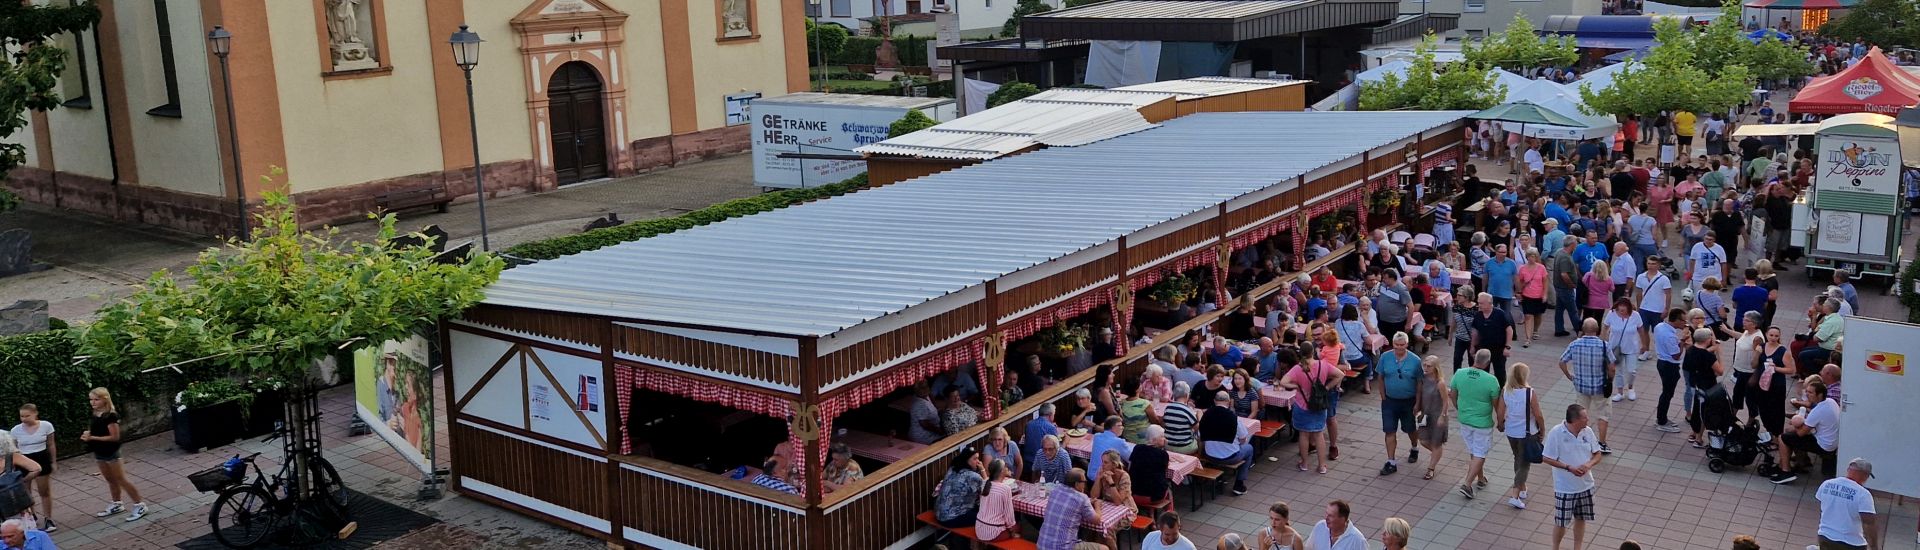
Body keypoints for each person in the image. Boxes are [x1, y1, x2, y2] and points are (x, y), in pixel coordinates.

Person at [1543, 404, 1606, 550]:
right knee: (1561, 522)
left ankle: (1577, 548)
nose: (1588, 419)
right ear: (1575, 420)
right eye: (1585, 417)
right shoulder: (1556, 433)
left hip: (1586, 485)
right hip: (1565, 488)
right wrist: (1568, 467)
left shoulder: (1587, 432)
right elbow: (1546, 458)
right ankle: (1555, 547)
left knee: (1581, 518)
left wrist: (1589, 464)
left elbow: (1597, 454)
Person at [81, 388, 145, 522]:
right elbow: (95, 428)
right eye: (91, 400)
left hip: (111, 451)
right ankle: (117, 503)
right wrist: (88, 434)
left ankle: (139, 504)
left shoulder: (111, 416)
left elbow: (114, 437)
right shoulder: (95, 413)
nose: (93, 402)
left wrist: (92, 437)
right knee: (110, 479)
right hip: (99, 451)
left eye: (96, 399)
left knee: (121, 479)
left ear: (105, 399)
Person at [1560, 319, 1615, 453]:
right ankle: (1601, 443)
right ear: (1597, 330)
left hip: (1581, 386)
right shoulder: (1604, 345)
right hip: (1600, 387)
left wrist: (1569, 375)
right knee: (1603, 414)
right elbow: (1612, 367)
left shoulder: (1574, 344)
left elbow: (1562, 361)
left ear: (1583, 330)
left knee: (1580, 413)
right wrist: (1610, 379)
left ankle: (1578, 439)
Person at [1281, 352, 1340, 474]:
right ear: (1312, 353)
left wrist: (1296, 386)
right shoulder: (1323, 364)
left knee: (1304, 435)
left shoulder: (1298, 368)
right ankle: (1322, 466)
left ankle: (1304, 464)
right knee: (1319, 435)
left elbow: (1283, 382)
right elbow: (1340, 374)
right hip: (1319, 405)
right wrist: (1327, 388)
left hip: (1302, 405)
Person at [1453, 349, 1501, 499]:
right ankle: (1467, 484)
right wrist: (1500, 421)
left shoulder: (1459, 373)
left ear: (1474, 358)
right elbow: (1496, 404)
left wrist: (1459, 409)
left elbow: (1453, 394)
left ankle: (1480, 478)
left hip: (1465, 419)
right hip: (1482, 422)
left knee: (1474, 451)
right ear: (1488, 362)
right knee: (1480, 453)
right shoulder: (1491, 380)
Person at [1496, 362, 1544, 510]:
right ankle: (1515, 495)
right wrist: (1542, 430)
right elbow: (1538, 415)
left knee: (1518, 457)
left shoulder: (1506, 391)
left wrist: (1500, 424)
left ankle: (1522, 487)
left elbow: (1500, 411)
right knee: (1524, 464)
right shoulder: (1530, 393)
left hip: (1511, 431)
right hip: (1527, 433)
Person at [1773, 379, 1840, 485]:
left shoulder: (1818, 410)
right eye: (1807, 391)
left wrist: (1795, 425)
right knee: (1793, 437)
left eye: (1810, 392)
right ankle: (1801, 462)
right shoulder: (1831, 402)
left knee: (1784, 437)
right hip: (1832, 442)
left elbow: (1801, 433)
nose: (1807, 394)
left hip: (1824, 446)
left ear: (1820, 394)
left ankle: (1785, 471)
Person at [1376, 333, 1423, 476]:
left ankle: (1414, 447)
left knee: (1410, 428)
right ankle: (1391, 462)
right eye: (1397, 345)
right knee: (1389, 431)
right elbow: (1380, 377)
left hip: (1408, 401)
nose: (1399, 348)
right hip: (1390, 401)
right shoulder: (1385, 357)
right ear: (1393, 344)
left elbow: (1420, 383)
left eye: (1402, 345)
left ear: (1407, 344)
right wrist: (1383, 396)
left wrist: (1418, 403)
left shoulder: (1415, 361)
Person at [1814, 458, 1882, 550]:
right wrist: (1874, 547)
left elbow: (1823, 506)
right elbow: (1869, 523)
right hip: (1851, 543)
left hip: (1825, 536)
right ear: (1865, 476)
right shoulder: (1863, 494)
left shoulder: (1827, 484)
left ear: (1848, 470)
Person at [1037, 468, 1111, 550]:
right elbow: (1097, 520)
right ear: (1076, 484)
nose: (1085, 485)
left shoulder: (1055, 490)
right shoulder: (1082, 498)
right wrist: (1098, 506)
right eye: (1084, 482)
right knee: (1105, 548)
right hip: (1064, 547)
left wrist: (1086, 502)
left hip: (1042, 545)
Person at [8, 405, 53, 532]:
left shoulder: (46, 426)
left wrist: (53, 461)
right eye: (22, 416)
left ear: (35, 414)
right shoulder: (15, 430)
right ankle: (31, 517)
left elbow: (51, 444)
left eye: (27, 416)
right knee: (26, 492)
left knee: (44, 490)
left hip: (42, 458)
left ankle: (48, 518)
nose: (24, 419)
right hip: (24, 460)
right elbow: (14, 449)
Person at [1201, 393, 1254, 495]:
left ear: (1215, 401)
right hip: (1230, 457)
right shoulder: (1234, 418)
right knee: (1249, 448)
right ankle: (1239, 484)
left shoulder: (1206, 415)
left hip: (1209, 455)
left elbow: (1200, 436)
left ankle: (1219, 477)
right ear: (1228, 402)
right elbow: (1243, 439)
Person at [1684, 328, 1727, 447]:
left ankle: (1694, 432)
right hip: (1707, 385)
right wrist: (1719, 354)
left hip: (1695, 384)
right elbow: (1720, 371)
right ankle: (1698, 438)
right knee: (1704, 411)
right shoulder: (1708, 356)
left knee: (1697, 408)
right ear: (1708, 339)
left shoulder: (1690, 350)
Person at [1415, 355, 1451, 481]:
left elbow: (1446, 401)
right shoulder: (1423, 379)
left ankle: (1431, 468)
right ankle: (1437, 454)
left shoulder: (1440, 383)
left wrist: (1443, 416)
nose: (1425, 368)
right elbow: (1419, 393)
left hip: (1437, 415)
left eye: (1428, 366)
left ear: (1435, 367)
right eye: (1424, 365)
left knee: (1436, 442)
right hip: (1425, 414)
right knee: (1423, 440)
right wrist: (1417, 406)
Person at [1469, 292, 1517, 385]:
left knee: (1500, 373)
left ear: (1490, 303)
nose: (1479, 305)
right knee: (1482, 372)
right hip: (1483, 349)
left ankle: (1501, 392)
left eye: (1482, 303)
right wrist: (1472, 346)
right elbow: (1475, 333)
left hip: (1498, 349)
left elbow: (1509, 330)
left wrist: (1507, 347)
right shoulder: (1478, 315)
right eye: (1479, 303)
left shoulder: (1499, 314)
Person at [1653, 309, 1688, 433]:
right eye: (1684, 320)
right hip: (1669, 366)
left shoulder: (1660, 326)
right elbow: (1676, 355)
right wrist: (1683, 342)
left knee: (1666, 393)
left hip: (1661, 362)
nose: (1685, 323)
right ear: (1677, 320)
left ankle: (1662, 418)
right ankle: (1661, 421)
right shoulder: (1670, 336)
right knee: (1667, 394)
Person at [932, 448, 984, 528]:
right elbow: (987, 490)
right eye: (975, 459)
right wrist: (983, 470)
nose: (978, 462)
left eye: (978, 458)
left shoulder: (953, 468)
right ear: (966, 460)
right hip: (951, 518)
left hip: (939, 513)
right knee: (986, 516)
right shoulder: (973, 476)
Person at [976, 458, 1019, 542]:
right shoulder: (1005, 489)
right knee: (1018, 526)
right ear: (1002, 471)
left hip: (979, 529)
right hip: (994, 533)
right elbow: (1009, 516)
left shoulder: (985, 483)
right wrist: (1012, 531)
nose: (1007, 468)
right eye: (1005, 466)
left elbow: (986, 480)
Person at [1130, 426, 1172, 508]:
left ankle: (1150, 514)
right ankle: (1170, 515)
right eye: (1162, 436)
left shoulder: (1137, 448)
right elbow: (1165, 471)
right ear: (1154, 440)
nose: (1164, 439)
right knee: (1169, 488)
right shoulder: (1162, 454)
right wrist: (1163, 448)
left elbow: (1130, 466)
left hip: (1133, 493)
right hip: (1154, 497)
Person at [1517, 249, 1549, 347]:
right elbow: (1520, 282)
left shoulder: (1541, 268)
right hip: (1527, 295)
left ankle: (1535, 330)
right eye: (1530, 256)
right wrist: (1519, 292)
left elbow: (1545, 282)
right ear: (1527, 257)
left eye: (1534, 256)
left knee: (1538, 315)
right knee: (1528, 316)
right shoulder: (1522, 268)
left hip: (1539, 295)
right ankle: (1528, 338)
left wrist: (1545, 294)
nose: (1532, 258)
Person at [1553, 238, 1583, 338]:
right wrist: (1571, 285)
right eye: (1576, 244)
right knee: (1573, 310)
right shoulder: (1565, 257)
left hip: (1559, 286)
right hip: (1565, 288)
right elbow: (1564, 274)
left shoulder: (1559, 252)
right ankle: (1579, 330)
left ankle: (1559, 329)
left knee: (1559, 309)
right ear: (1572, 245)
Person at [1092, 448, 1136, 515]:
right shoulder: (1102, 472)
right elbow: (1094, 496)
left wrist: (1111, 482)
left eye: (1106, 462)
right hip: (1108, 506)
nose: (1102, 465)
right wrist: (1098, 478)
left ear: (1114, 464)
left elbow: (1118, 502)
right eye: (1102, 461)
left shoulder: (1124, 476)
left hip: (1125, 509)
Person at [1163, 383, 1201, 455]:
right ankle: (1199, 457)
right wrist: (1199, 416)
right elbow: (1197, 428)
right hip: (1184, 447)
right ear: (1187, 395)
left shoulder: (1168, 408)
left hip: (1168, 445)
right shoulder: (1187, 410)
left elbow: (1164, 424)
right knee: (1199, 437)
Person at [1688, 231, 1730, 296]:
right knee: (1698, 297)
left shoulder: (1719, 249)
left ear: (1714, 240)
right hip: (1699, 278)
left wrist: (1724, 279)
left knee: (1713, 297)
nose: (1708, 241)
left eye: (1710, 239)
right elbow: (1692, 260)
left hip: (1714, 279)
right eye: (1706, 239)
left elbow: (1723, 264)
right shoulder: (1697, 247)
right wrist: (1691, 273)